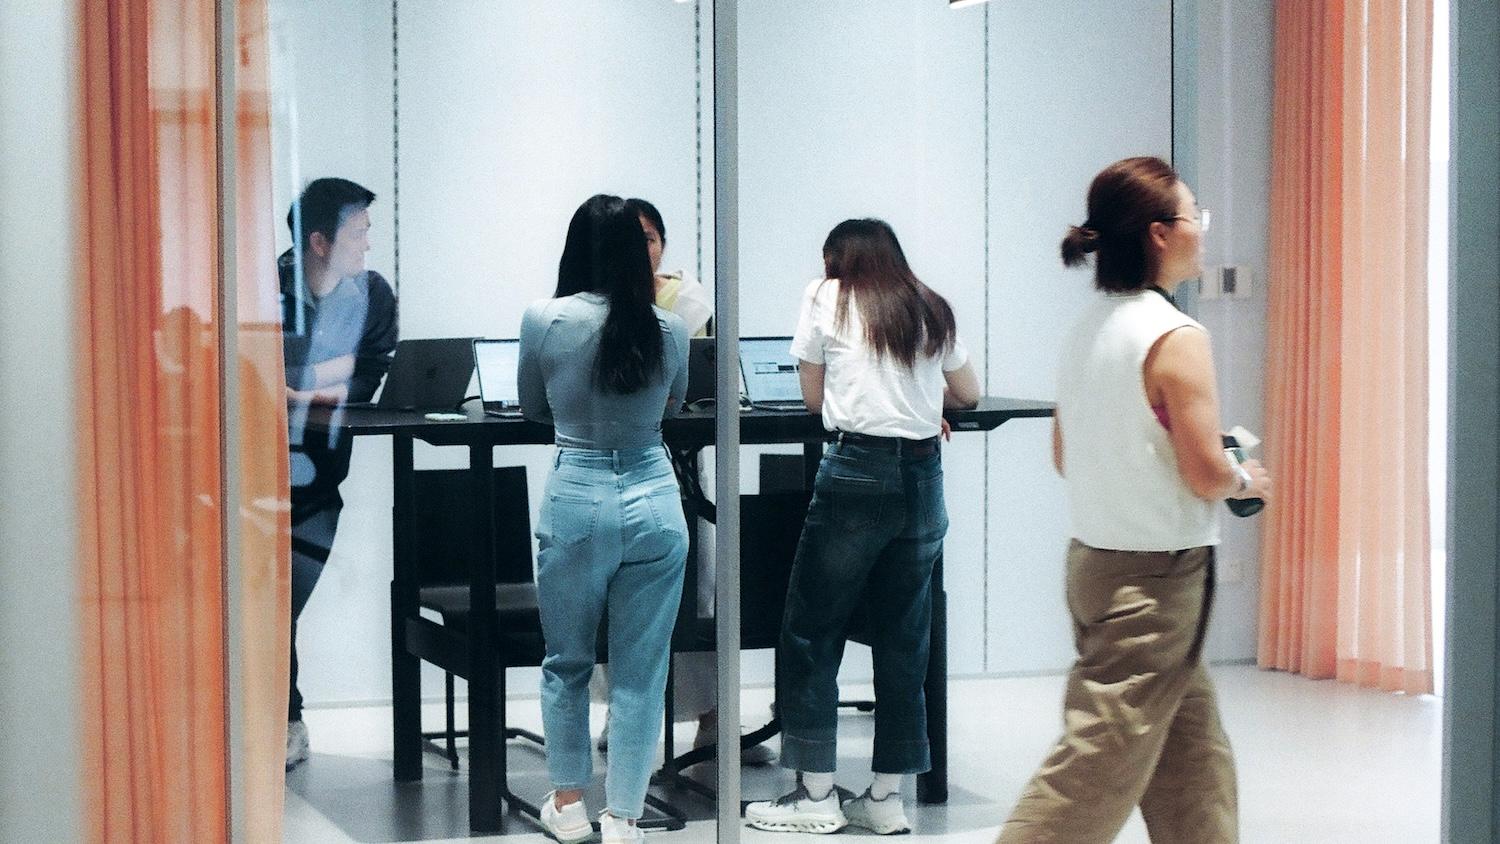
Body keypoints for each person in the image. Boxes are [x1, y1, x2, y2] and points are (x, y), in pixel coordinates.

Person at [997, 156, 1271, 843]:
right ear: (1158, 232)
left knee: (1193, 762)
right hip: (1156, 581)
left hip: (1095, 566)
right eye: (1194, 217)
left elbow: (1064, 456)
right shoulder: (1176, 337)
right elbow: (1206, 472)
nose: (1201, 231)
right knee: (1093, 767)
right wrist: (1246, 481)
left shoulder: (1087, 328)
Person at [744, 219, 981, 835]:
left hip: (856, 474)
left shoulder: (826, 295)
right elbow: (969, 392)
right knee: (905, 640)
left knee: (811, 630)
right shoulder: (930, 305)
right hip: (923, 478)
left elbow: (813, 399)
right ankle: (885, 799)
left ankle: (816, 795)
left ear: (836, 260)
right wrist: (920, 404)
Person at [519, 193, 692, 844]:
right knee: (641, 673)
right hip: (655, 497)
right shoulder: (669, 328)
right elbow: (673, 403)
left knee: (566, 661)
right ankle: (624, 816)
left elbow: (533, 408)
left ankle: (568, 804)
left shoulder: (544, 319)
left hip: (577, 496)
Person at [591, 197, 774, 766]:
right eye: (631, 238)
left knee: (700, 595)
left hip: (680, 464)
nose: (642, 249)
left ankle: (713, 717)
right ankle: (623, 712)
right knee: (615, 595)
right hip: (610, 462)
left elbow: (710, 382)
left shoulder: (688, 304)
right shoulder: (593, 303)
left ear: (663, 245)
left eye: (650, 237)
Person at [280, 177, 398, 770]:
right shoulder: (264, 288)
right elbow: (259, 372)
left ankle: (285, 720)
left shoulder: (372, 294)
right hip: (251, 475)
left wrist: (300, 390)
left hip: (321, 480)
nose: (367, 245)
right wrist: (322, 376)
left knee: (282, 606)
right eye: (358, 233)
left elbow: (366, 378)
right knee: (268, 611)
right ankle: (285, 719)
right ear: (320, 242)